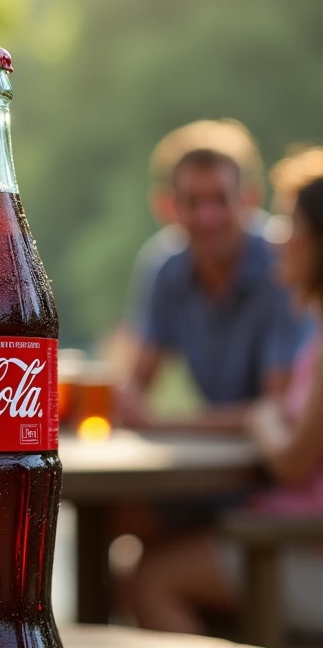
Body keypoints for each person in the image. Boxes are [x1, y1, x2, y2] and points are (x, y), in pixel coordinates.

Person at [125, 148, 323, 634]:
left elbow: (294, 460)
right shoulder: (167, 269)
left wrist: (261, 418)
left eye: (291, 226)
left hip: (296, 542)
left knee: (150, 578)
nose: (280, 240)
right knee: (137, 532)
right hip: (281, 528)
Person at [119, 143, 307, 432]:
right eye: (193, 202)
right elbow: (136, 384)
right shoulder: (165, 267)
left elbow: (278, 407)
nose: (207, 217)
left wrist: (164, 424)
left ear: (249, 200)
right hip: (231, 455)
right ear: (169, 207)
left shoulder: (284, 263)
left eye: (220, 200)